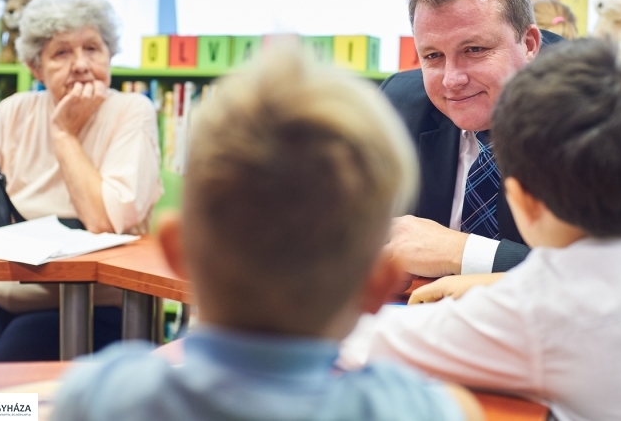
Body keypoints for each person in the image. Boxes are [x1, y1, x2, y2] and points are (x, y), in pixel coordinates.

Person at [51, 46, 484, 421]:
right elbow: (460, 406)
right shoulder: (412, 409)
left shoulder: (101, 398)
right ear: (380, 284)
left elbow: (11, 407)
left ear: (176, 252)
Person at [354, 39, 621, 420]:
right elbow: (601, 279)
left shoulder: (540, 314)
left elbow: (370, 343)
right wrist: (499, 282)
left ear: (523, 201)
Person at [381, 0, 621, 280]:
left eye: (474, 49)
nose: (452, 80)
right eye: (432, 56)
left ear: (529, 44)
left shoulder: (600, 106)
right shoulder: (399, 104)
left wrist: (463, 253)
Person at [0, 0, 162, 362]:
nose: (81, 65)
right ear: (36, 68)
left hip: (90, 297)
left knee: (6, 380)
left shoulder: (131, 111)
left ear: (110, 55)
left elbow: (105, 221)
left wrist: (64, 134)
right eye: (61, 53)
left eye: (92, 48)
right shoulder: (15, 110)